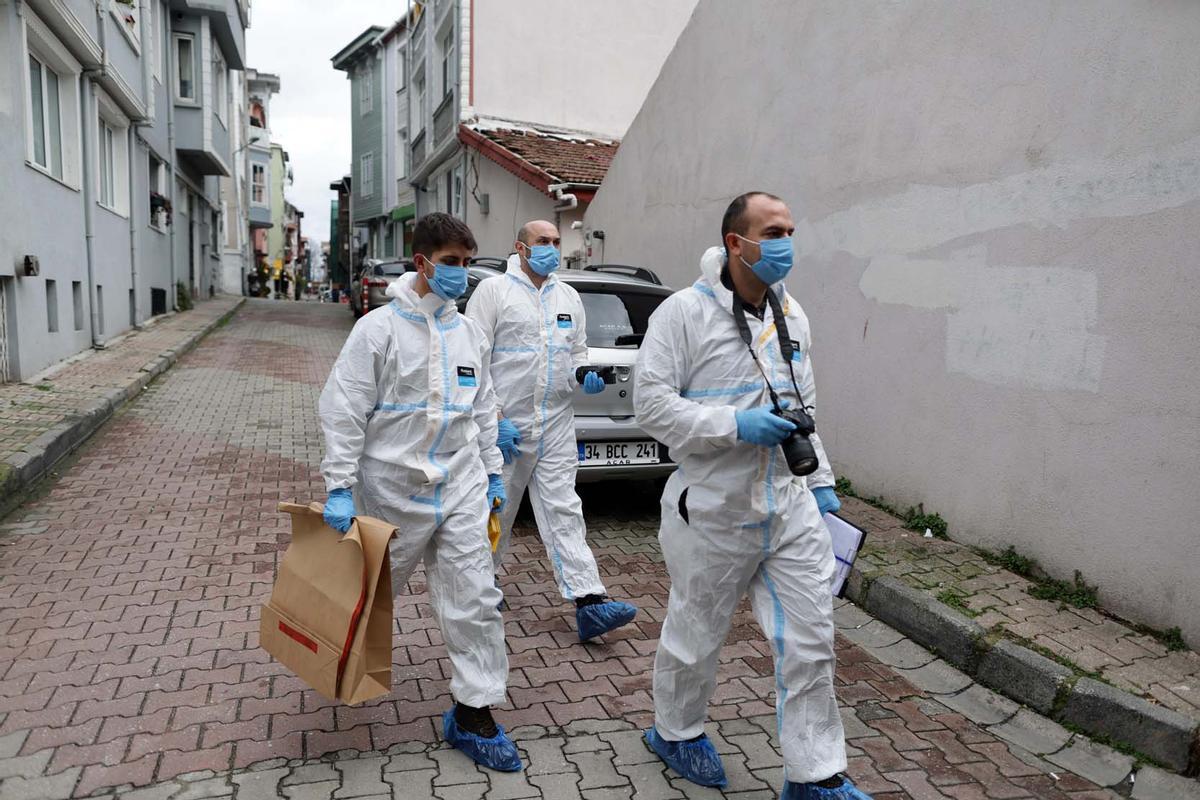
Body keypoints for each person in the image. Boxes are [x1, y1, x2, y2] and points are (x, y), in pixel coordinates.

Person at [634, 193, 870, 799]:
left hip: (788, 505)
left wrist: (821, 484)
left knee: (811, 642)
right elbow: (651, 406)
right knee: (696, 633)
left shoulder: (793, 314)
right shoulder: (682, 314)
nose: (787, 241)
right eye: (774, 231)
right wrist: (734, 425)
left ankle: (814, 776)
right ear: (736, 243)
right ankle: (676, 732)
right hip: (713, 506)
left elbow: (805, 406)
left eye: (792, 228)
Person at [318, 213, 522, 773]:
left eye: (466, 262)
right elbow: (343, 410)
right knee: (366, 596)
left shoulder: (469, 334)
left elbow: (482, 412)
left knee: (476, 598)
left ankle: (473, 711)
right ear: (423, 263)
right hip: (391, 492)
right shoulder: (378, 330)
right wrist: (339, 486)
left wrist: (494, 473)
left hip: (459, 488)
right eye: (451, 263)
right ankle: (325, 654)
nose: (460, 273)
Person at [465, 220, 638, 641]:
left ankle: (589, 601)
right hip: (507, 426)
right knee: (496, 510)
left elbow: (575, 352)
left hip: (557, 422)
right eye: (543, 242)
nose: (552, 249)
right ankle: (476, 587)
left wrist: (583, 374)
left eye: (557, 242)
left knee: (565, 507)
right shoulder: (493, 293)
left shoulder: (568, 296)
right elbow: (471, 361)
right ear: (520, 248)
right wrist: (494, 419)